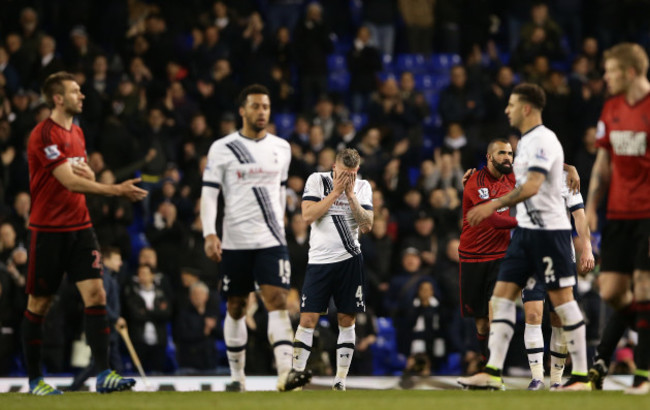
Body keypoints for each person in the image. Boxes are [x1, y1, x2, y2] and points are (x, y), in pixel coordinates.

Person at [457, 83, 591, 391]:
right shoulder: (527, 143)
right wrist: (570, 167)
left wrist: (493, 203)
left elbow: (531, 186)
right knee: (501, 299)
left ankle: (581, 376)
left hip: (549, 233)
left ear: (526, 108)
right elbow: (529, 170)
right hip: (526, 234)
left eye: (512, 104)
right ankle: (492, 372)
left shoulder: (543, 139)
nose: (507, 110)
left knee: (563, 305)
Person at [23, 71, 147, 395]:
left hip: (80, 228)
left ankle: (104, 373)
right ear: (58, 98)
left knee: (97, 296)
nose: (83, 95)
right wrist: (115, 189)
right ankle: (35, 380)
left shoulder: (77, 132)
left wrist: (92, 173)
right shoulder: (43, 135)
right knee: (39, 304)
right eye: (76, 91)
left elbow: (82, 173)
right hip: (48, 232)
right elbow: (69, 181)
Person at [200, 84, 295, 392]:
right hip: (235, 240)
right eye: (255, 106)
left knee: (277, 300)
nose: (262, 112)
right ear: (243, 110)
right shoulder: (222, 148)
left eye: (265, 106)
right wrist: (209, 232)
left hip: (271, 239)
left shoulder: (282, 147)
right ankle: (237, 378)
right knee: (237, 306)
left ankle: (286, 374)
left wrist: (280, 222)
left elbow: (279, 190)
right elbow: (209, 195)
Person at [585, 43, 650, 394]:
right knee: (611, 291)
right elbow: (603, 163)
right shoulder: (610, 109)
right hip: (617, 213)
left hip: (647, 213)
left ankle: (644, 375)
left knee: (644, 286)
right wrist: (592, 206)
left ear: (628, 72)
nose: (605, 78)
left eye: (610, 71)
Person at [291, 148, 374, 391]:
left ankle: (340, 381)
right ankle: (296, 377)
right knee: (307, 318)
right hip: (319, 261)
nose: (348, 177)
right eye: (343, 173)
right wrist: (336, 192)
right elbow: (307, 215)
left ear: (357, 171)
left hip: (350, 260)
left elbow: (367, 225)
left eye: (352, 173)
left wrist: (350, 196)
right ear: (334, 167)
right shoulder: (317, 180)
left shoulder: (363, 187)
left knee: (347, 319)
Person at [521, 171, 595, 390]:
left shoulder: (567, 178)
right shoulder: (523, 173)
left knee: (559, 319)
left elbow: (580, 217)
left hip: (562, 255)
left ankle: (555, 379)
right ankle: (536, 378)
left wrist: (587, 249)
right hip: (530, 255)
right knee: (533, 314)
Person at [458, 139, 516, 363]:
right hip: (473, 257)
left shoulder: (511, 176)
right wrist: (523, 222)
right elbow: (492, 218)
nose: (507, 158)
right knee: (481, 321)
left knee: (496, 315)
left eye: (510, 153)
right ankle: (486, 362)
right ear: (489, 157)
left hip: (500, 257)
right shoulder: (475, 181)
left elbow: (542, 166)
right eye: (502, 153)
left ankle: (495, 368)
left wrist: (570, 168)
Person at [68, 247, 126, 391]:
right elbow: (100, 303)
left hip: (108, 329)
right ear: (106, 260)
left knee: (113, 362)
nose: (120, 263)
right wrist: (115, 318)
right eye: (117, 259)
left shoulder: (109, 277)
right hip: (102, 328)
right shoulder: (104, 278)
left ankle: (117, 388)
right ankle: (74, 387)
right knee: (98, 363)